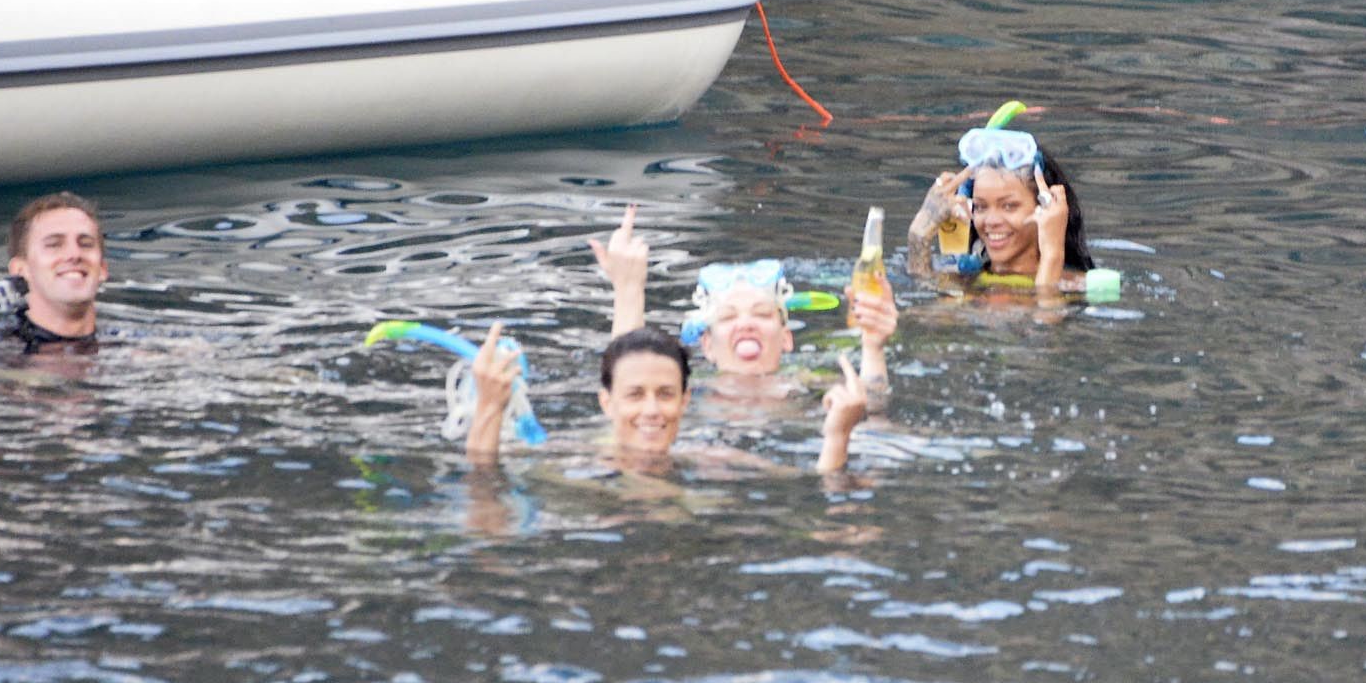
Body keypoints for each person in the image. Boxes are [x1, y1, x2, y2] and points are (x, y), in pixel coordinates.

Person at [591, 204, 897, 410]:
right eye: (728, 317)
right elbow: (628, 387)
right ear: (707, 345)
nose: (746, 323)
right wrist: (628, 291)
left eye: (762, 314)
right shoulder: (683, 392)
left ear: (786, 338)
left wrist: (873, 348)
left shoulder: (805, 381)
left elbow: (870, 404)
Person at [461, 322, 869, 474]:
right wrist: (489, 407)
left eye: (666, 394)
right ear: (607, 403)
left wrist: (838, 436)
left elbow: (816, 485)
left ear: (686, 401)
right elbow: (483, 478)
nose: (652, 410)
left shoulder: (713, 458)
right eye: (635, 395)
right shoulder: (571, 459)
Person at [906, 111, 1092, 296]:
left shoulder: (1082, 286)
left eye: (1009, 206)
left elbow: (1047, 312)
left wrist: (1052, 254)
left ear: (1047, 209)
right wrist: (919, 234)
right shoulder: (962, 280)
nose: (991, 221)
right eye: (980, 206)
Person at [0, 191, 107, 354]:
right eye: (54, 244)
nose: (74, 255)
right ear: (20, 270)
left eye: (86, 244)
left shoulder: (132, 349)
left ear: (102, 269)